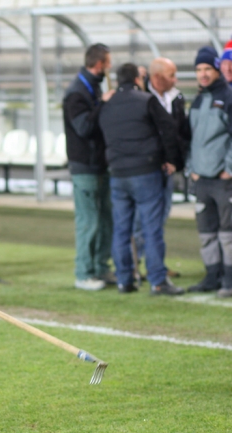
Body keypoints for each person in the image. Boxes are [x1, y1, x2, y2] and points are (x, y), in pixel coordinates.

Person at [98, 63, 184, 296]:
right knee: (151, 229)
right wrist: (170, 159)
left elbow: (99, 132)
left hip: (118, 175)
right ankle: (158, 281)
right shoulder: (146, 100)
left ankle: (124, 280)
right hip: (146, 172)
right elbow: (167, 130)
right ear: (137, 78)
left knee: (121, 230)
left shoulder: (107, 105)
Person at [131, 57, 191, 281]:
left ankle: (155, 265)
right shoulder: (142, 99)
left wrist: (176, 160)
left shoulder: (177, 98)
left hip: (168, 169)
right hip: (147, 170)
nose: (176, 79)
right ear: (156, 77)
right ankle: (135, 266)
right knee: (141, 221)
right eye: (171, 75)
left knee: (159, 220)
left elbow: (180, 133)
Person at [62, 43, 116, 291]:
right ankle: (83, 273)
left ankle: (100, 268)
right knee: (89, 222)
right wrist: (103, 104)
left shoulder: (92, 88)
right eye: (108, 63)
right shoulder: (76, 93)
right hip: (84, 166)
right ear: (100, 64)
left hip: (99, 165)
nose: (110, 68)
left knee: (105, 221)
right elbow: (83, 127)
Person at [186, 46, 232, 298]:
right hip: (201, 179)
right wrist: (192, 169)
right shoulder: (198, 100)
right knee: (206, 231)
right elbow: (190, 139)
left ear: (216, 70)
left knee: (228, 233)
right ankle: (211, 276)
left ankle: (229, 279)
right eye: (198, 70)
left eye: (207, 69)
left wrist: (229, 169)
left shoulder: (228, 97)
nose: (203, 74)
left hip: (223, 180)